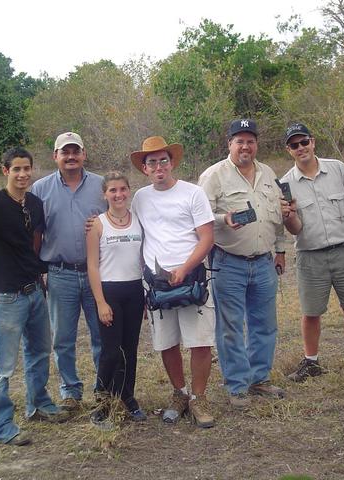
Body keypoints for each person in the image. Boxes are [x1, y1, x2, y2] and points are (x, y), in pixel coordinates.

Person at [0, 147, 68, 447]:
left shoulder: (35, 203)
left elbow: (34, 241)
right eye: (16, 169)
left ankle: (38, 404)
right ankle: (0, 424)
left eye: (26, 169)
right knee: (4, 364)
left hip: (36, 290)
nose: (22, 174)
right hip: (8, 296)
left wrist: (40, 275)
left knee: (39, 352)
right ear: (5, 171)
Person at [198, 119, 286, 410]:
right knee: (231, 327)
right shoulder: (214, 176)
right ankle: (237, 385)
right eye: (239, 141)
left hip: (263, 262)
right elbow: (198, 217)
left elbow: (279, 212)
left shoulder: (269, 173)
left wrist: (280, 249)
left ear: (256, 144)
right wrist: (225, 219)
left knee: (264, 324)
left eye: (250, 140)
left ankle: (259, 378)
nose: (245, 146)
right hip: (228, 262)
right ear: (229, 144)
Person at [280, 123, 344, 391]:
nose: (301, 148)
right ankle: (311, 362)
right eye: (294, 145)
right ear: (289, 150)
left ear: (313, 142)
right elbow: (294, 229)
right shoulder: (286, 183)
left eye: (304, 142)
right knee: (311, 312)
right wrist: (289, 216)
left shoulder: (338, 169)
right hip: (311, 256)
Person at [130, 136, 216, 428]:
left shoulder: (193, 193)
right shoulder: (139, 198)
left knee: (200, 340)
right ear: (144, 168)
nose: (158, 166)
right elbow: (135, 236)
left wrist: (185, 267)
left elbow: (207, 238)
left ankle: (199, 398)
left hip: (191, 278)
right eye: (151, 162)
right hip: (156, 283)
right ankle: (179, 393)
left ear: (172, 162)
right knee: (166, 341)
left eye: (163, 160)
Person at [31, 132, 106, 410]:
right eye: (65, 152)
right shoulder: (40, 189)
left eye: (76, 151)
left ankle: (104, 389)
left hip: (96, 273)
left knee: (101, 335)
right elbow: (34, 232)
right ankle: (71, 392)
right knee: (63, 339)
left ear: (84, 154)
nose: (71, 156)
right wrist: (36, 269)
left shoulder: (101, 185)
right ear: (55, 156)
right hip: (60, 273)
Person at [86, 172, 146, 426]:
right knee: (111, 351)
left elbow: (144, 259)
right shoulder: (97, 224)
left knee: (130, 350)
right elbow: (92, 266)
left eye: (123, 189)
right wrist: (100, 302)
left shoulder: (139, 221)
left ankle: (127, 396)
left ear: (129, 190)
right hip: (109, 291)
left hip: (134, 291)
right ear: (104, 194)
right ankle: (101, 402)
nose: (118, 194)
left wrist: (145, 295)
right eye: (113, 190)